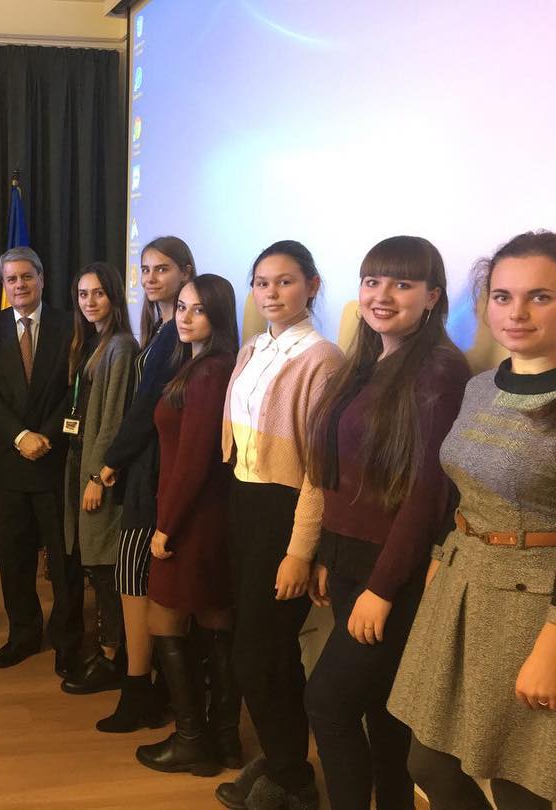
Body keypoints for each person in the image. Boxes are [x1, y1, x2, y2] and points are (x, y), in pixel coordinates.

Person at [388, 230, 556, 810]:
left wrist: (552, 646)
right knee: (429, 761)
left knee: (519, 781)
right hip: (461, 587)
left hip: (533, 606)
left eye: (540, 297)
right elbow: (465, 486)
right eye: (503, 296)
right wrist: (442, 558)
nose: (517, 312)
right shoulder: (481, 386)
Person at [303, 236, 469, 810]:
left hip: (391, 569)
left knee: (328, 703)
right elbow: (339, 473)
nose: (382, 295)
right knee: (381, 708)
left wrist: (382, 587)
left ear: (432, 297)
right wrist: (325, 553)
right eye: (372, 281)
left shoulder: (440, 370)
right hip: (348, 557)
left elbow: (426, 495)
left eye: (402, 284)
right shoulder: (366, 361)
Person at [215, 241, 343, 810]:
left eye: (285, 281)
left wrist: (300, 551)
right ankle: (281, 759)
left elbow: (319, 469)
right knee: (265, 650)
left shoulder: (323, 359)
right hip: (243, 502)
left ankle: (293, 779)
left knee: (258, 653)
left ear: (311, 286)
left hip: (284, 511)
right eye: (262, 282)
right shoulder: (251, 349)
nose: (271, 292)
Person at [135, 274, 239, 776]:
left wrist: (166, 527)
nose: (185, 317)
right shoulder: (206, 366)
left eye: (198, 309)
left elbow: (193, 461)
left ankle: (193, 739)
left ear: (218, 316)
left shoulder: (207, 373)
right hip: (211, 516)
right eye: (181, 307)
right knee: (216, 622)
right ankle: (224, 740)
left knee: (164, 620)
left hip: (192, 519)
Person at [95, 236, 193, 732]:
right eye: (146, 269)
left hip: (152, 471)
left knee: (134, 579)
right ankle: (144, 689)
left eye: (162, 268)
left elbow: (146, 408)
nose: (151, 278)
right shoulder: (160, 330)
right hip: (146, 468)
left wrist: (109, 463)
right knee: (134, 580)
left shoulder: (177, 334)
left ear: (186, 272)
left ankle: (138, 692)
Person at [0, 247, 80, 676]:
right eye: (11, 279)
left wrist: (45, 436)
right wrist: (20, 437)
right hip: (10, 460)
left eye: (26, 276)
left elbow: (75, 388)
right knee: (15, 557)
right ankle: (23, 634)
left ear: (41, 278)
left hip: (55, 459)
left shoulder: (69, 324)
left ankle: (68, 640)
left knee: (63, 559)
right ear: (4, 284)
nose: (19, 284)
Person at [58, 263, 137, 694]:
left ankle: (113, 658)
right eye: (83, 294)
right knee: (94, 565)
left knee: (106, 569)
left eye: (99, 293)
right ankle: (108, 650)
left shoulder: (121, 346)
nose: (90, 301)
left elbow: (113, 421)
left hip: (98, 474)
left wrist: (96, 476)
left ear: (114, 296)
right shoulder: (93, 341)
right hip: (80, 460)